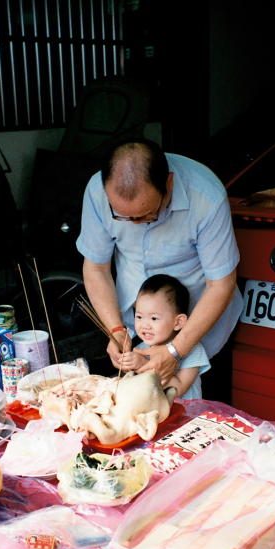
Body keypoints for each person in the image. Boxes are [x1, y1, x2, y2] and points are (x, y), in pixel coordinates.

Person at [76, 138, 243, 388]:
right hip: (136, 327)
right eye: (123, 216)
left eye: (146, 214)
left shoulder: (206, 197)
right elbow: (96, 268)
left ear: (169, 184)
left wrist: (176, 351)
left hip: (199, 326)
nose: (135, 223)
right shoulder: (97, 192)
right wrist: (116, 329)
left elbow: (221, 284)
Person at [118, 274, 210, 399]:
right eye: (139, 317)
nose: (145, 325)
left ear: (178, 322)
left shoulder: (193, 350)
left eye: (154, 318)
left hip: (187, 414)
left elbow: (179, 389)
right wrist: (127, 368)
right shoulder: (141, 348)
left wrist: (143, 365)